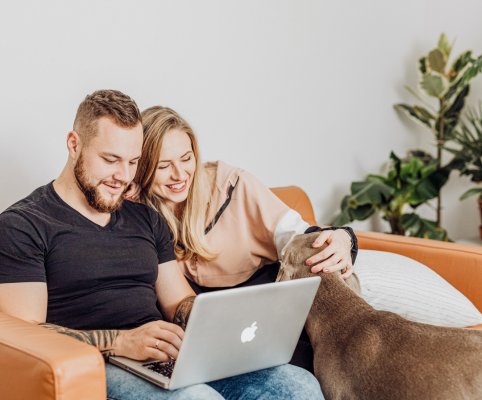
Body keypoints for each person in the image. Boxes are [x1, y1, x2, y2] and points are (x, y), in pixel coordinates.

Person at [0, 90, 324, 400]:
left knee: (297, 386)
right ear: (74, 145)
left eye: (133, 163)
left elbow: (179, 303)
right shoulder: (22, 227)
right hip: (97, 366)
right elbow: (22, 336)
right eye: (110, 160)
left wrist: (223, 326)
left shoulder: (145, 219)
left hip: (165, 358)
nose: (123, 176)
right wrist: (121, 342)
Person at [129, 106, 358, 373]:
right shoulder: (138, 213)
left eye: (186, 158)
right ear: (141, 168)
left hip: (273, 319)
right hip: (216, 338)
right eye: (163, 166)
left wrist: (344, 237)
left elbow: (299, 238)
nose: (180, 175)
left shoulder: (233, 187)